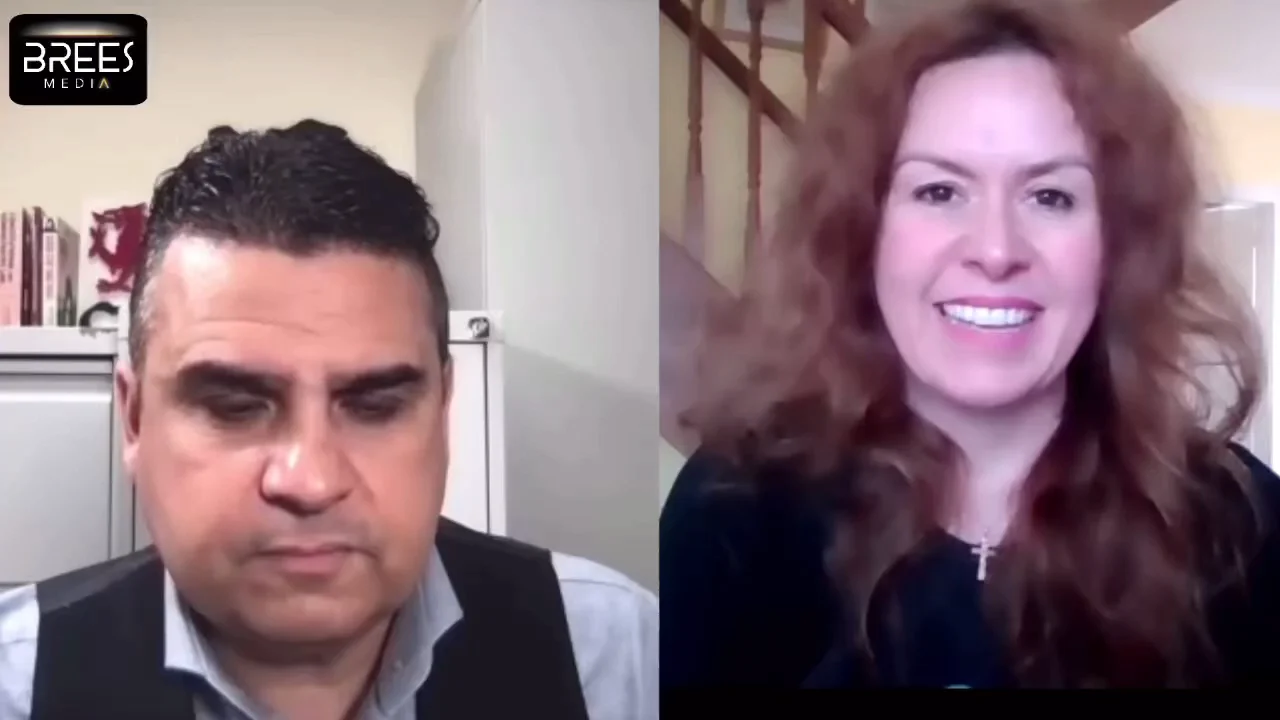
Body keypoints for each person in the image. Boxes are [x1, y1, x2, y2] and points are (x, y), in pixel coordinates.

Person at [660, 0, 1280, 689]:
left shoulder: (1242, 530)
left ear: (1119, 245)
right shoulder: (732, 512)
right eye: (940, 191)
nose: (995, 250)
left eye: (1050, 197)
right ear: (864, 230)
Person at [0, 120, 658, 719]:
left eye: (376, 406)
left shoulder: (616, 659)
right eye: (234, 407)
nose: (310, 481)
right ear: (135, 419)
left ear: (443, 412)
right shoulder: (16, 684)